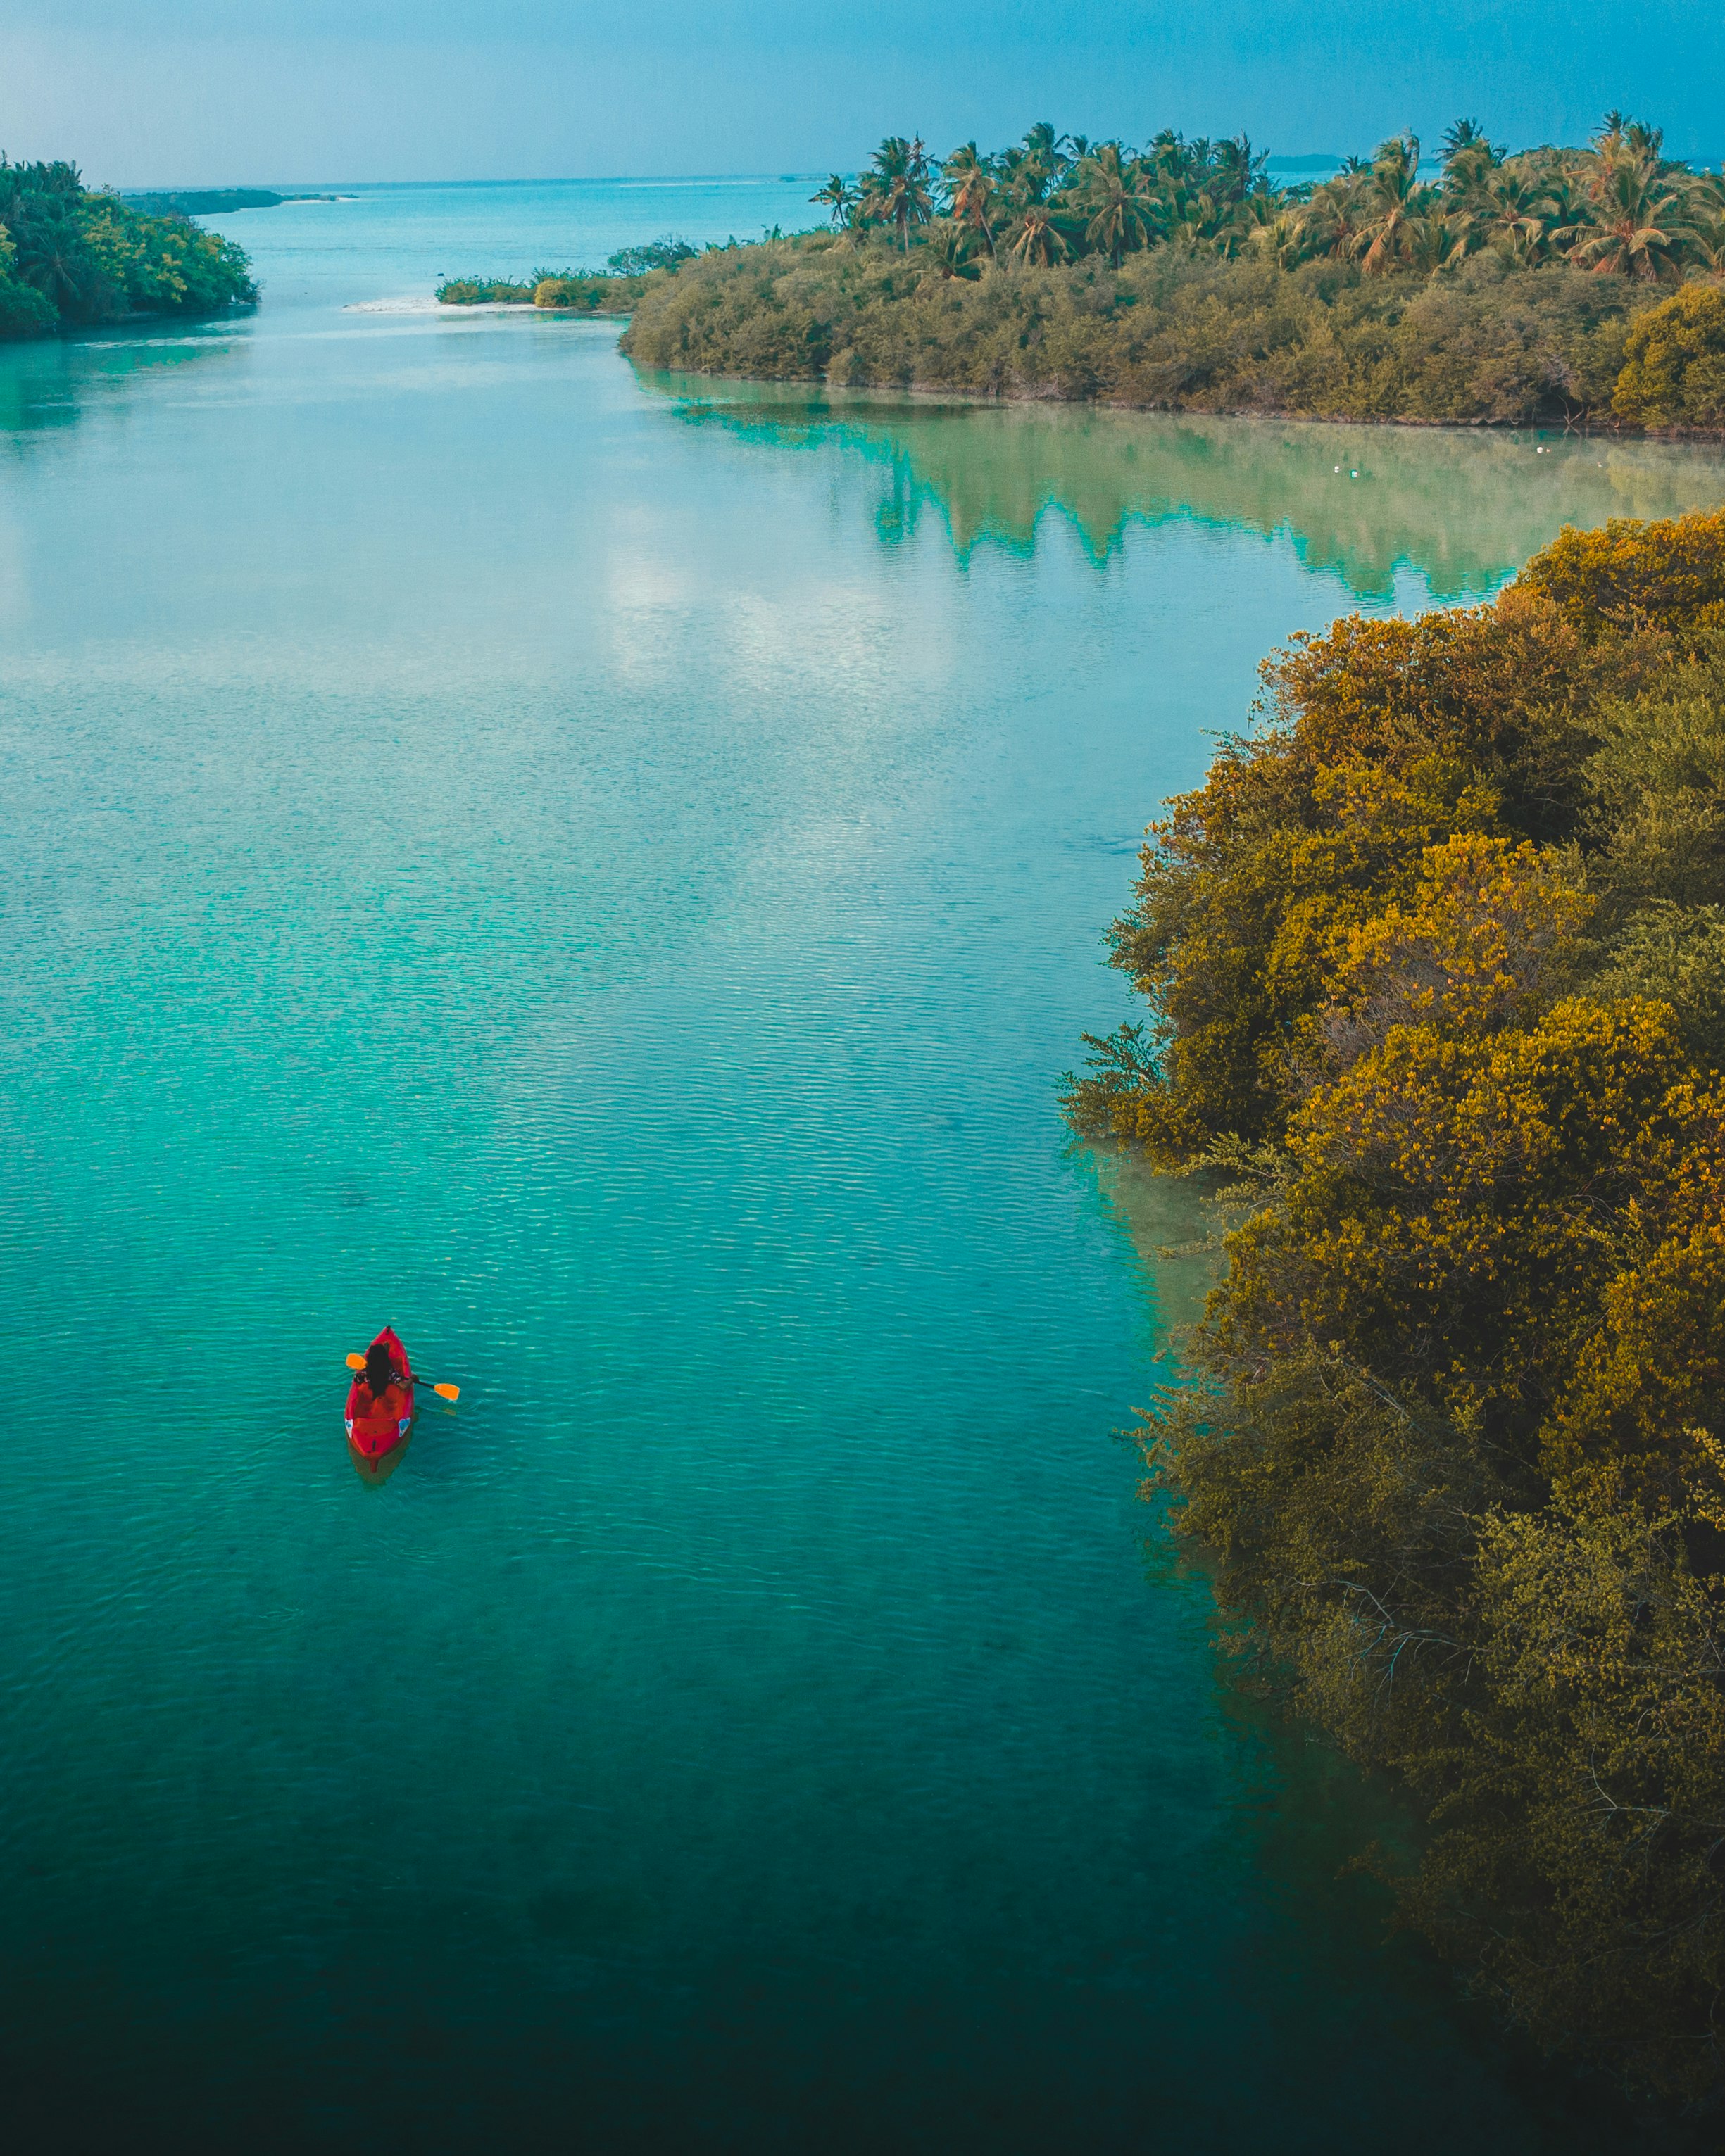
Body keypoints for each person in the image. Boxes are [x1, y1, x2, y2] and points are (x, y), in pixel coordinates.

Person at [346, 1330, 413, 1457]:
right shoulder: (390, 1373)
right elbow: (403, 1386)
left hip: (366, 1419)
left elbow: (356, 1380)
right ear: (385, 1361)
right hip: (388, 1419)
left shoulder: (365, 1374)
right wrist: (412, 1379)